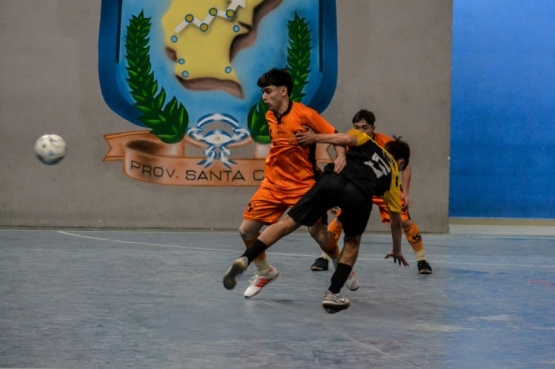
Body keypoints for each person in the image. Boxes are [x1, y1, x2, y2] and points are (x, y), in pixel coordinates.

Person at [223, 128, 411, 313]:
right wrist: (397, 249)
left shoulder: (367, 141)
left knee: (287, 223)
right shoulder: (394, 174)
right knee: (352, 242)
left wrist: (315, 137)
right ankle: (332, 293)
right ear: (401, 161)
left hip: (333, 179)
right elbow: (396, 221)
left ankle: (246, 258)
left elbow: (343, 138)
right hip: (359, 195)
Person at [237, 67, 347, 298]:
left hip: (303, 185)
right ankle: (264, 271)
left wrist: (341, 155)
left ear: (283, 91)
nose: (264, 97)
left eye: (268, 92)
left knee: (318, 234)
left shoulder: (305, 114)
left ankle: (339, 260)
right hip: (273, 184)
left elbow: (336, 135)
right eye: (263, 93)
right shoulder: (269, 116)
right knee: (246, 230)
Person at [310, 109, 433, 275]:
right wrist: (336, 197)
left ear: (373, 128)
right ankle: (324, 256)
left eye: (365, 127)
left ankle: (421, 259)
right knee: (340, 219)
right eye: (357, 127)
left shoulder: (385, 143)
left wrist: (406, 192)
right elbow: (344, 166)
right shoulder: (351, 141)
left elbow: (406, 165)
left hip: (384, 189)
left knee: (403, 221)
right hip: (360, 187)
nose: (361, 131)